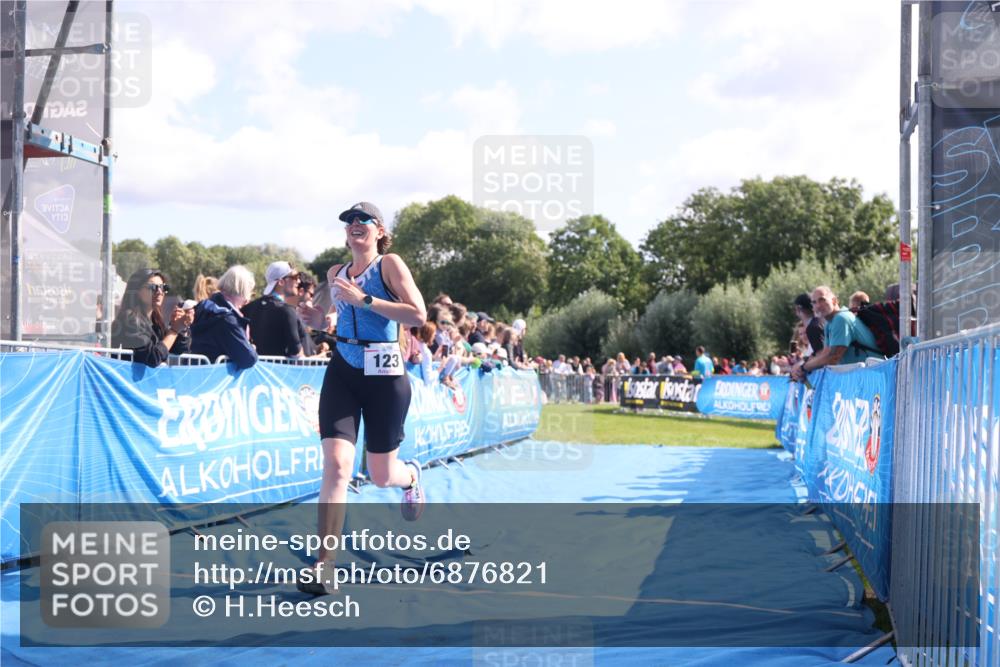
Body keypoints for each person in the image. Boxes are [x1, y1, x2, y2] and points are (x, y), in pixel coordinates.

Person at [297, 201, 427, 595]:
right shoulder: (335, 272)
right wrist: (319, 321)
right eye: (349, 221)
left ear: (379, 231)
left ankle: (411, 476)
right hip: (344, 368)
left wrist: (365, 300)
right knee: (337, 466)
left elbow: (417, 315)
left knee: (380, 475)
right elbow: (339, 316)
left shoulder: (390, 265)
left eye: (363, 221)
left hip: (385, 373)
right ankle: (325, 564)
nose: (355, 225)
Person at [791, 285, 882, 382]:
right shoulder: (829, 323)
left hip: (874, 377)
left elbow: (833, 358)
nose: (818, 305)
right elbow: (825, 353)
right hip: (864, 377)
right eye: (814, 302)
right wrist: (802, 365)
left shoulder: (841, 319)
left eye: (822, 300)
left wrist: (803, 368)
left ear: (834, 301)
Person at [111, 268, 187, 367]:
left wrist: (182, 327)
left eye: (163, 287)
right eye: (153, 287)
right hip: (127, 381)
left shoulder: (156, 320)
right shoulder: (129, 319)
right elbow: (152, 358)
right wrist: (174, 331)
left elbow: (177, 350)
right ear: (137, 291)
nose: (160, 292)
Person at [190, 265, 258, 369]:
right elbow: (248, 359)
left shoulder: (204, 306)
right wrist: (251, 348)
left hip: (195, 372)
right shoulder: (227, 319)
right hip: (215, 378)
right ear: (243, 290)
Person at [243, 260, 306, 358]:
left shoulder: (248, 308)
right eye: (295, 277)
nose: (298, 281)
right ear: (281, 282)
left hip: (253, 370)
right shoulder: (288, 311)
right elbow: (296, 351)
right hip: (280, 371)